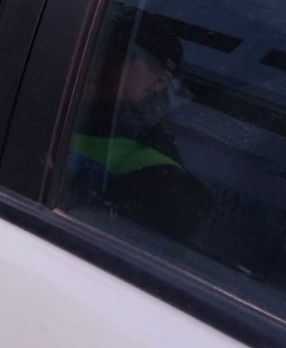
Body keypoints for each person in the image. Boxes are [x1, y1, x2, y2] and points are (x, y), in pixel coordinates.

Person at [62, 13, 212, 241]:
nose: (99, 58)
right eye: (99, 44)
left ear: (160, 81)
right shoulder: (63, 102)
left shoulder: (157, 172)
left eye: (121, 55)